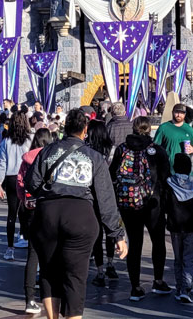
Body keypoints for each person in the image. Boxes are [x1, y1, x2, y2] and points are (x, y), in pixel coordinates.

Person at [27, 108, 128, 319]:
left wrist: (49, 192)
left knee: (49, 272)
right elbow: (105, 199)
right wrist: (117, 235)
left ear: (65, 128)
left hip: (48, 213)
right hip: (80, 215)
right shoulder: (95, 157)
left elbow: (32, 182)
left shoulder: (47, 151)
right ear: (85, 130)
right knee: (75, 276)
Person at [111, 114, 173, 299]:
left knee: (135, 243)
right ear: (148, 129)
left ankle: (135, 287)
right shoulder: (157, 150)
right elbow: (166, 177)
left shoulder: (122, 149)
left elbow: (112, 172)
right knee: (158, 242)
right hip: (153, 203)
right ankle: (158, 281)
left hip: (129, 203)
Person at [18, 127, 53, 315]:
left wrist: (24, 200)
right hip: (49, 208)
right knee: (51, 253)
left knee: (33, 255)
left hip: (30, 208)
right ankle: (50, 296)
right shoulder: (52, 157)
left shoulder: (26, 158)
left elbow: (20, 183)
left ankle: (29, 298)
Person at [165, 151, 193, 302]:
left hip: (175, 226)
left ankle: (178, 287)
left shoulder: (169, 184)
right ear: (189, 168)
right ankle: (186, 289)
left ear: (175, 167)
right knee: (189, 257)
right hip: (192, 226)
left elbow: (166, 206)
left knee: (178, 258)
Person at [0, 110, 33, 259]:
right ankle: (29, 242)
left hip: (11, 176)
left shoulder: (6, 141)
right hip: (27, 176)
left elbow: (2, 162)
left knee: (12, 213)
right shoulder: (30, 139)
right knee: (30, 211)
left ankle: (10, 248)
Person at [86, 119, 117, 285]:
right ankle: (111, 263)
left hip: (92, 193)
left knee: (97, 233)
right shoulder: (112, 149)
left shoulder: (87, 151)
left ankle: (99, 271)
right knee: (110, 228)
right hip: (110, 191)